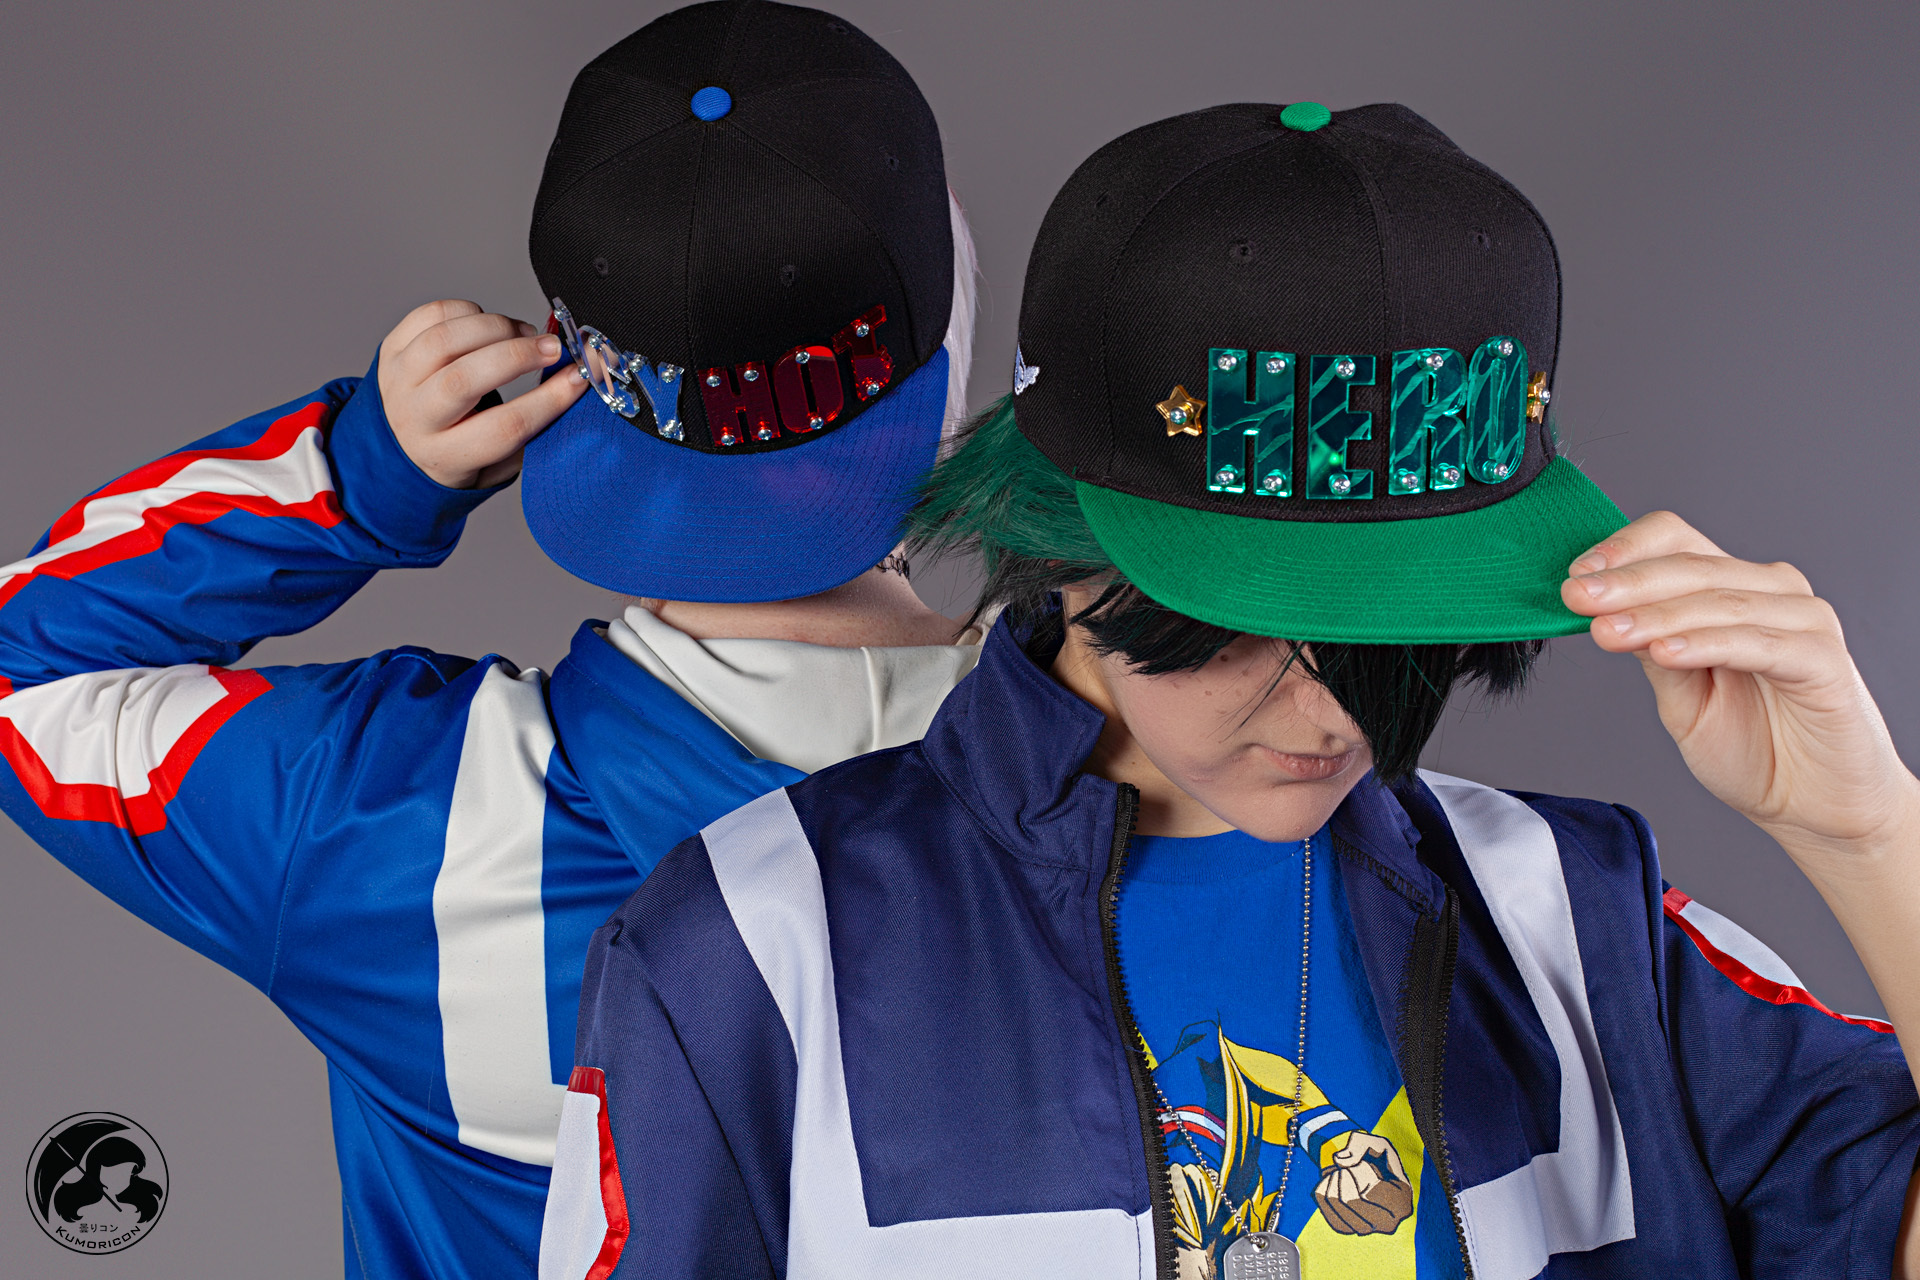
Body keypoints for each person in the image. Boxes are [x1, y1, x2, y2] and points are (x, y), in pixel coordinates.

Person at [554, 102, 1920, 1279]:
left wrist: (1871, 832)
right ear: (1060, 539)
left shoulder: (1575, 915)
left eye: (1405, 634)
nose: (1339, 714)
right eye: (1253, 625)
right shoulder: (750, 946)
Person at [0, 3, 980, 1277]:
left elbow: (25, 670)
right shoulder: (1172, 785)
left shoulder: (388, 830)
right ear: (950, 354)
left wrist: (353, 476)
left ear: (582, 371)